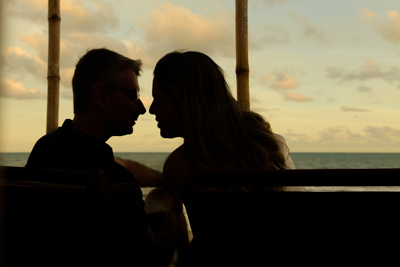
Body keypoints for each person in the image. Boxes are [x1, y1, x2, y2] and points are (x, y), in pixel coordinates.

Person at [26, 48, 182, 266]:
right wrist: (170, 223)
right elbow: (149, 261)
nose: (142, 108)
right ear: (101, 95)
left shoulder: (45, 149)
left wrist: (162, 178)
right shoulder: (117, 180)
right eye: (133, 96)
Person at [148, 50, 305, 198]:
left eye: (159, 102)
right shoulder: (272, 145)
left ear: (186, 105)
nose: (151, 110)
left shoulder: (178, 166)